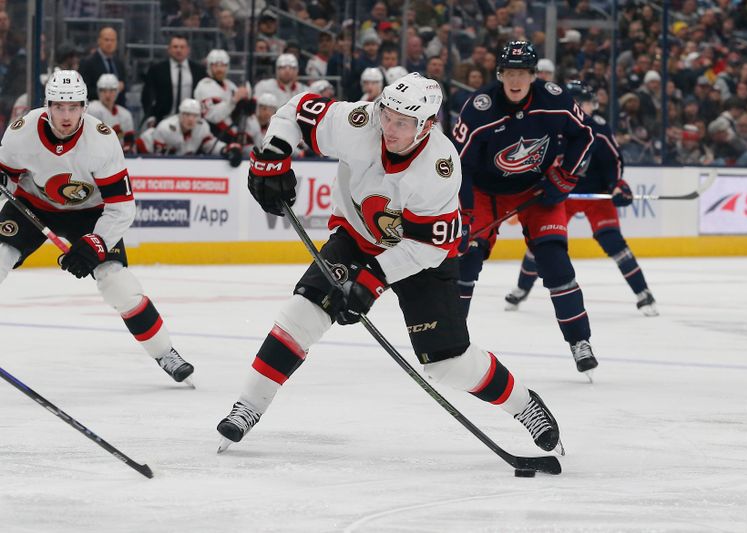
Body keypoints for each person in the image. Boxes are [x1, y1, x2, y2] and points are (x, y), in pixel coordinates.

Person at [215, 73, 562, 455]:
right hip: (357, 238)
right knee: (302, 313)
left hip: (422, 258)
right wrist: (274, 155)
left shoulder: (440, 166)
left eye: (403, 122)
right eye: (388, 115)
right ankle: (248, 406)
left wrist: (371, 281)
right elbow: (295, 110)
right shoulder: (361, 123)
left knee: (448, 364)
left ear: (426, 126)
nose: (390, 128)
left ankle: (526, 405)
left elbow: (425, 248)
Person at [0, 70, 194, 384]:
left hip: (89, 213)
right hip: (32, 204)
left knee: (115, 282)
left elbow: (122, 206)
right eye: (59, 107)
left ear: (85, 106)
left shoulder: (102, 141)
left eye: (73, 107)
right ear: (47, 105)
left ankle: (165, 353)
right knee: (0, 253)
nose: (66, 116)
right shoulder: (21, 133)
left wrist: (98, 241)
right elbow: (6, 179)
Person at [451, 41, 598, 378]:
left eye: (522, 73)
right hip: (484, 192)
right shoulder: (480, 108)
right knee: (467, 260)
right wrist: (465, 215)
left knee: (555, 263)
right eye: (509, 73)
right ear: (500, 74)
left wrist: (565, 176)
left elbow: (585, 135)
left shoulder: (555, 99)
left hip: (536, 188)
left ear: (534, 75)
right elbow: (460, 167)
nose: (515, 81)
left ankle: (580, 342)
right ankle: (450, 341)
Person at [505, 81, 658, 317]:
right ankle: (521, 289)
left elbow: (612, 161)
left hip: (594, 194)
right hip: (560, 194)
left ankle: (643, 292)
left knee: (613, 241)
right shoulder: (550, 124)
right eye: (587, 102)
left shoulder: (598, 128)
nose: (592, 107)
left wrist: (617, 184)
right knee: (542, 242)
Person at [138, 98, 241, 166]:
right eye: (187, 114)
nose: (191, 119)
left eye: (195, 115)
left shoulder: (202, 126)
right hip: (144, 150)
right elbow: (157, 161)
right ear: (180, 115)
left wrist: (227, 149)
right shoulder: (165, 128)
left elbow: (210, 145)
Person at [141, 34, 206, 125]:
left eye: (182, 47)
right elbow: (147, 96)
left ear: (188, 50)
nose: (178, 50)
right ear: (169, 49)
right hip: (163, 119)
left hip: (191, 120)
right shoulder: (156, 70)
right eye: (175, 47)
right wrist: (150, 117)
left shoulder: (199, 70)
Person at [194, 49, 251, 143]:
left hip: (231, 138)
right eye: (216, 65)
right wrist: (234, 100)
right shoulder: (204, 85)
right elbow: (213, 117)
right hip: (212, 137)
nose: (220, 69)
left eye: (223, 65)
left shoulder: (230, 85)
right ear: (209, 66)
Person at [86, 73, 136, 154]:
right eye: (104, 91)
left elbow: (129, 142)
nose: (107, 95)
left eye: (111, 91)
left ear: (117, 91)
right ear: (98, 91)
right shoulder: (92, 110)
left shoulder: (125, 114)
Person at [79, 27, 126, 105]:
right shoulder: (88, 62)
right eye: (106, 40)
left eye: (112, 40)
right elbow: (83, 90)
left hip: (116, 110)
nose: (109, 43)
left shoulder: (119, 63)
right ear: (99, 41)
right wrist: (105, 92)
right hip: (94, 109)